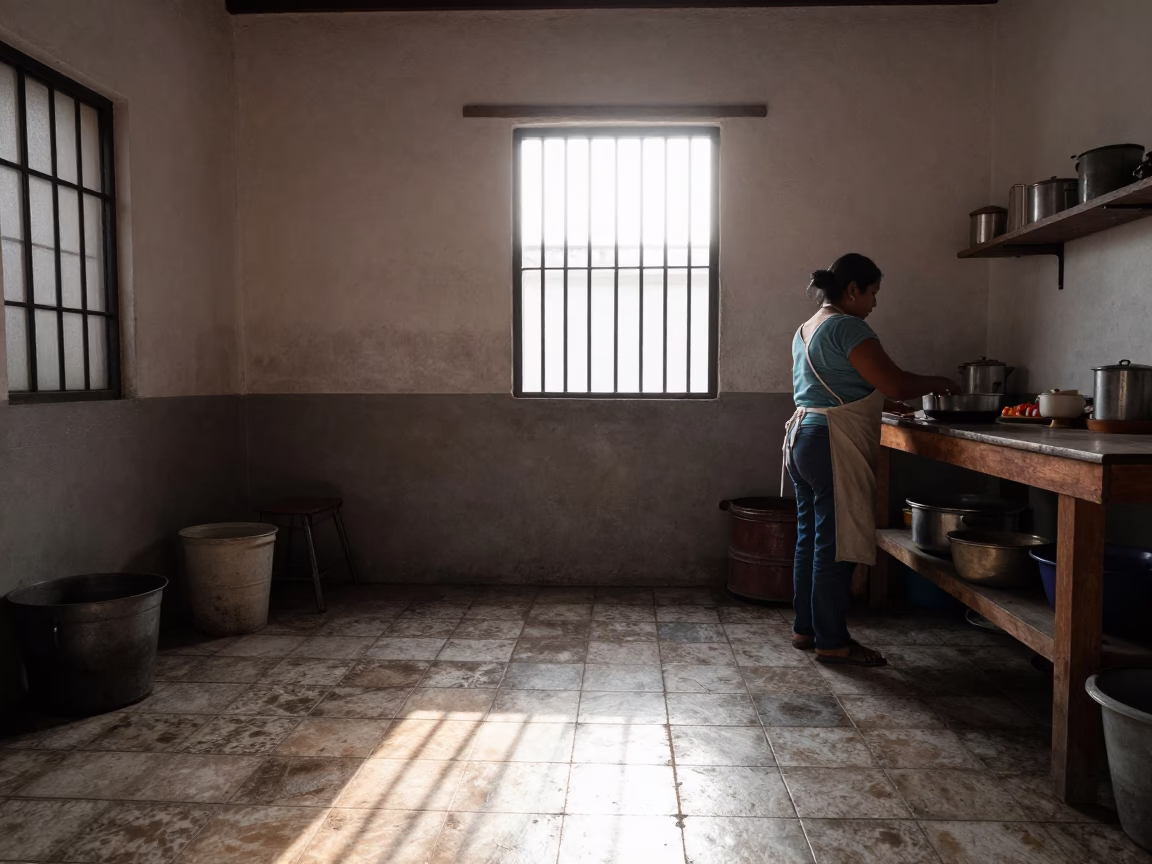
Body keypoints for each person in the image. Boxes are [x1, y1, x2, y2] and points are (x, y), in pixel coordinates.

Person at [784, 253, 960, 666]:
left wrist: (884, 401)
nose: (874, 304)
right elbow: (894, 381)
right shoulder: (847, 326)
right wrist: (944, 383)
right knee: (837, 543)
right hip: (831, 442)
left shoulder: (806, 328)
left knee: (811, 540)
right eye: (873, 294)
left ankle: (805, 628)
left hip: (804, 437)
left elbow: (846, 385)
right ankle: (832, 640)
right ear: (852, 290)